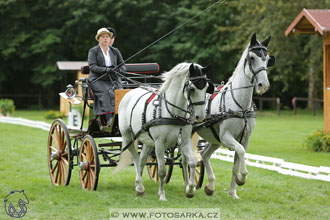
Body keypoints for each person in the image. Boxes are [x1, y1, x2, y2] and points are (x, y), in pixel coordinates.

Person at [88, 27, 126, 126]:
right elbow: (92, 66)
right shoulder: (93, 51)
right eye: (103, 37)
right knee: (107, 92)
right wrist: (105, 70)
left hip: (113, 78)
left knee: (120, 93)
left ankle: (122, 118)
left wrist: (118, 71)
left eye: (107, 37)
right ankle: (109, 120)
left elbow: (122, 65)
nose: (105, 39)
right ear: (99, 39)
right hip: (98, 79)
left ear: (110, 39)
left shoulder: (115, 51)